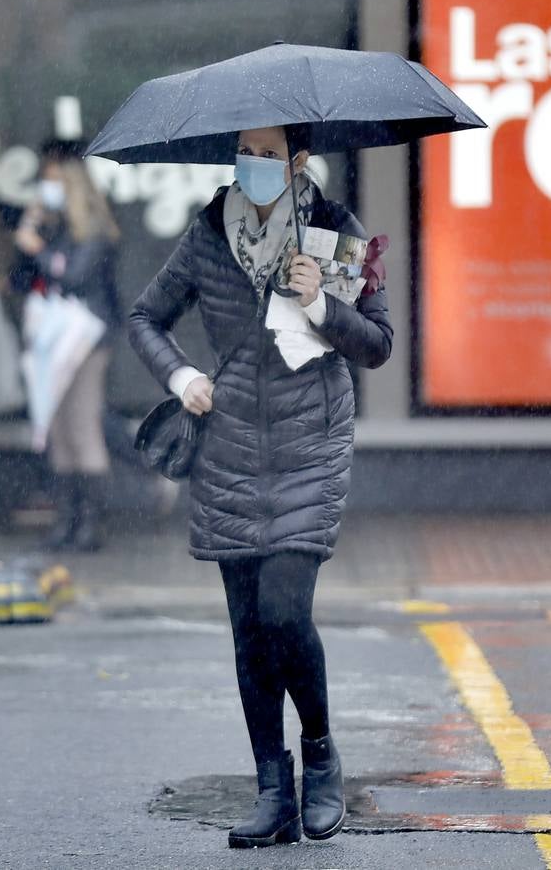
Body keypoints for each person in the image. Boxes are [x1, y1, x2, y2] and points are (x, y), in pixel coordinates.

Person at [126, 123, 391, 849]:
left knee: (282, 607)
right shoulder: (211, 230)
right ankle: (272, 788)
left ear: (299, 162)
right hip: (231, 443)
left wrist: (319, 305)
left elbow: (377, 345)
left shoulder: (336, 230)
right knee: (248, 630)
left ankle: (321, 754)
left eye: (270, 155)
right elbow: (147, 315)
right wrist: (182, 377)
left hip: (312, 441)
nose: (255, 165)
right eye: (247, 153)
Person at [13, 139, 121, 551]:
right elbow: (28, 276)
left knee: (82, 426)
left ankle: (91, 522)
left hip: (85, 341)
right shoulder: (57, 227)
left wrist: (38, 249)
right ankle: (68, 517)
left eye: (53, 177)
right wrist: (34, 230)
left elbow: (74, 277)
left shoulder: (94, 231)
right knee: (57, 430)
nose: (47, 184)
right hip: (51, 340)